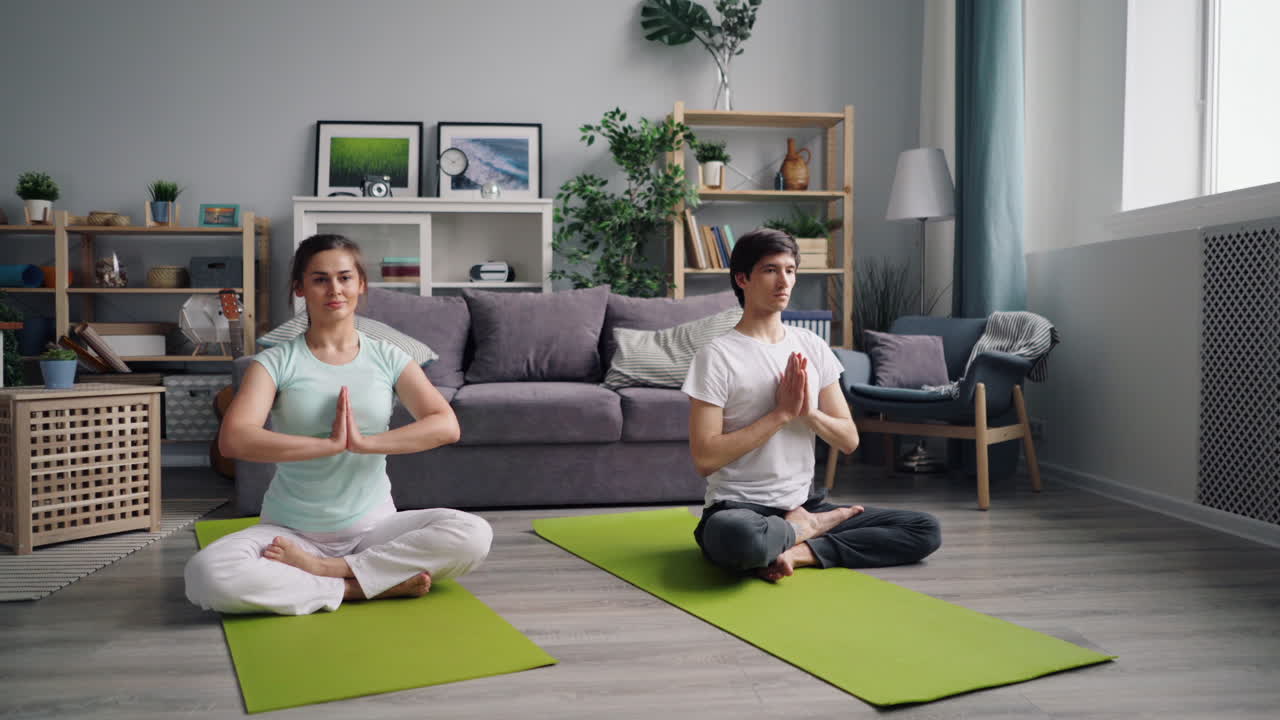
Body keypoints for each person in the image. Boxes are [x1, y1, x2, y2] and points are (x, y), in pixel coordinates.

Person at [184, 234, 492, 615]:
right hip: (291, 534)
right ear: (300, 288)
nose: (335, 289)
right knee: (207, 574)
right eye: (320, 279)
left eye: (345, 277)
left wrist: (364, 443)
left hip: (375, 530)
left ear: (361, 284)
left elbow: (445, 425)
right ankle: (357, 586)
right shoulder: (275, 362)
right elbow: (234, 439)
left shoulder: (389, 357)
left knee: (473, 534)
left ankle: (328, 571)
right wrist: (327, 445)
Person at [682, 229, 941, 582]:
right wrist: (781, 414)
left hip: (802, 506)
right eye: (770, 270)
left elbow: (848, 440)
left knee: (924, 529)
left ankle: (800, 549)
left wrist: (808, 413)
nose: (784, 281)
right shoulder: (716, 356)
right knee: (738, 539)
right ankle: (804, 532)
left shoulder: (812, 345)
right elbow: (705, 458)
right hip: (739, 510)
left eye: (790, 270)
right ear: (742, 279)